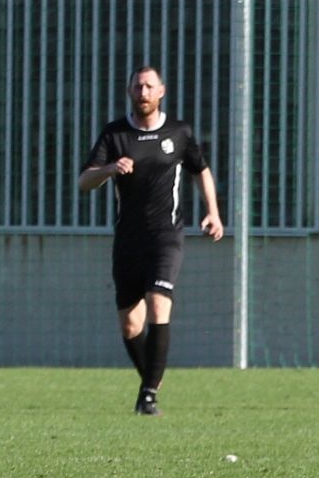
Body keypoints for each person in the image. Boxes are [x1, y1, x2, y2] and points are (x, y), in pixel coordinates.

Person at [78, 66, 224, 415]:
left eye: (148, 86)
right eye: (137, 87)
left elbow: (201, 170)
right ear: (129, 91)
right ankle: (152, 379)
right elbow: (84, 181)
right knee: (131, 325)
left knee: (159, 301)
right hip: (128, 239)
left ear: (162, 91)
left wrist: (213, 212)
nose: (142, 92)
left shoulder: (179, 132)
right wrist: (109, 169)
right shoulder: (115, 134)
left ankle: (148, 396)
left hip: (166, 235)